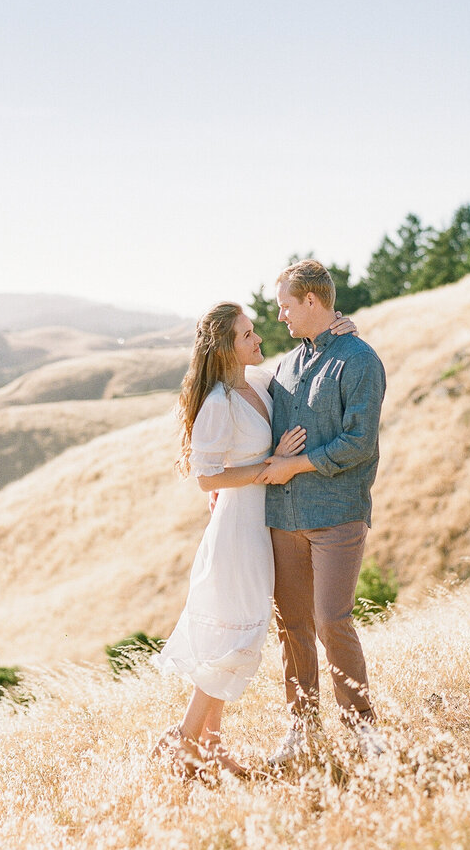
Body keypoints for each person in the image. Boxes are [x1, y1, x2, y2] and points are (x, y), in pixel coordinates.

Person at [151, 300, 355, 778]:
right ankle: (184, 739)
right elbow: (206, 479)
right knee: (238, 636)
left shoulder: (259, 384)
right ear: (226, 347)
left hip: (262, 526)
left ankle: (212, 746)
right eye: (247, 335)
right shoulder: (218, 403)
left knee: (240, 630)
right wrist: (270, 466)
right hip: (237, 532)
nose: (258, 337)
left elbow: (303, 368)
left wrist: (337, 331)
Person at [256, 259, 388, 766]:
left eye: (287, 306)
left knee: (332, 620)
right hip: (283, 518)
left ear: (312, 301)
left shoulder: (359, 360)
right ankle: (301, 726)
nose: (282, 316)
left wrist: (295, 466)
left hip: (336, 514)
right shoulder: (287, 365)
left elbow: (359, 443)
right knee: (291, 624)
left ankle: (363, 731)